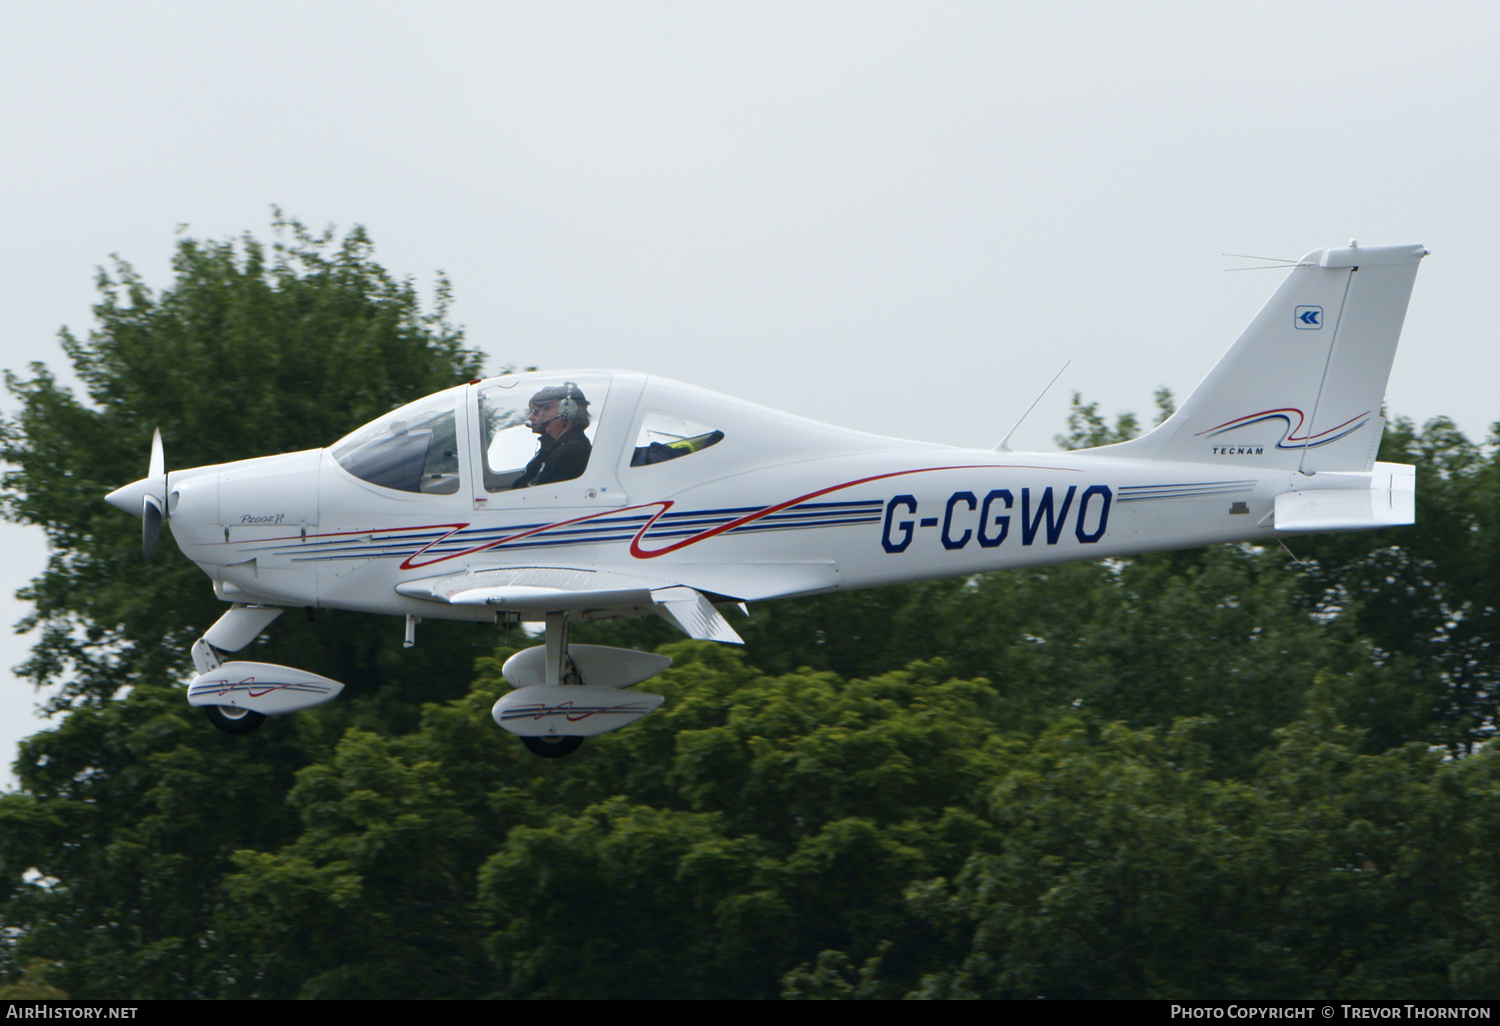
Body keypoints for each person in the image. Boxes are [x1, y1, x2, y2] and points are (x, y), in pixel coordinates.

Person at [511, 382, 592, 488]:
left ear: (567, 411)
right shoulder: (562, 448)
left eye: (547, 409)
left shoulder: (569, 453)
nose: (542, 414)